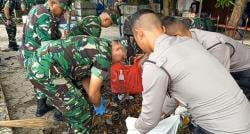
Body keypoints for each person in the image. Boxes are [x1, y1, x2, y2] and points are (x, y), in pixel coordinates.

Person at [127, 9, 250, 134]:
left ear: (139, 34)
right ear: (163, 29)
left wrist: (135, 128)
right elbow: (178, 90)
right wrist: (163, 111)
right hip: (245, 118)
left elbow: (148, 121)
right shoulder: (190, 43)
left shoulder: (155, 63)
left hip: (220, 129)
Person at [27, 35, 129, 133]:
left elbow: (84, 76)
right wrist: (98, 104)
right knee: (81, 113)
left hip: (39, 62)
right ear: (118, 48)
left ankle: (72, 121)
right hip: (45, 70)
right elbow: (93, 94)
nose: (121, 62)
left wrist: (95, 99)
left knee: (77, 103)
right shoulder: (104, 57)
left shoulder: (103, 44)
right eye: (123, 58)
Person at [162, 16, 250, 101]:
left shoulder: (213, 45)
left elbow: (218, 81)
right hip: (230, 69)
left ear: (177, 36)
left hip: (245, 70)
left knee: (241, 102)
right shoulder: (189, 38)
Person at [20, 0, 71, 119]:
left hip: (29, 53)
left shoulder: (38, 9)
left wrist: (61, 35)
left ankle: (41, 107)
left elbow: (52, 33)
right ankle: (61, 111)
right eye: (62, 9)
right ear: (53, 3)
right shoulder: (45, 16)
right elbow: (48, 46)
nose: (63, 13)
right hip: (36, 56)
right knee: (56, 79)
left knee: (39, 81)